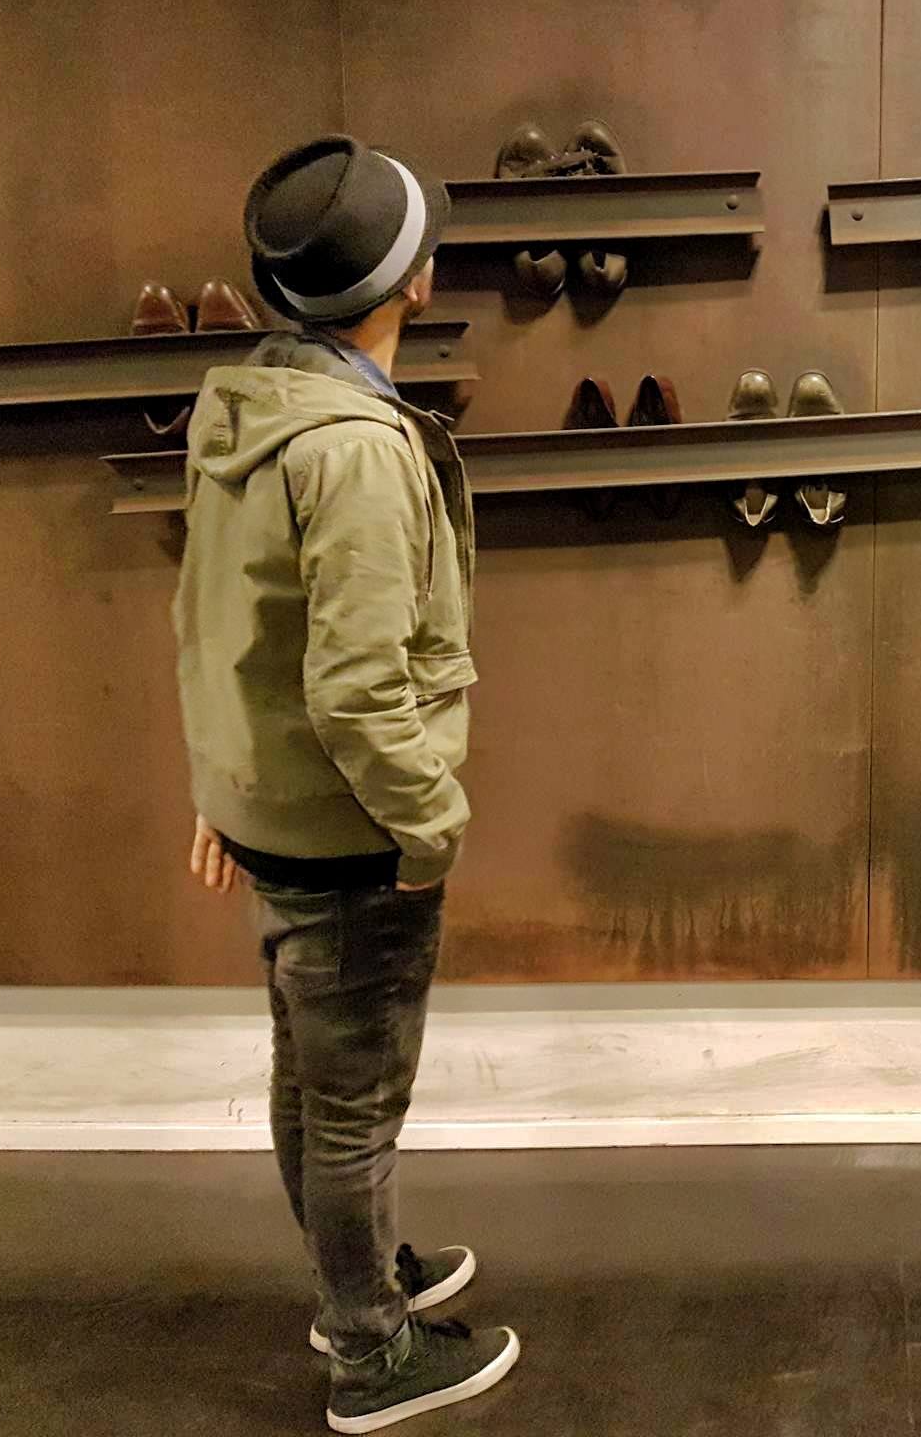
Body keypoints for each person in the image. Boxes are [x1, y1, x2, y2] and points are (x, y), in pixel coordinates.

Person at [174, 134, 517, 1432]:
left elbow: (219, 619)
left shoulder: (247, 407)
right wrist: (432, 827)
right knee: (355, 1106)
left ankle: (357, 1276)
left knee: (310, 1080)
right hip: (352, 830)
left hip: (275, 810)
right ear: (411, 283)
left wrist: (220, 787)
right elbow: (359, 690)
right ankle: (371, 1352)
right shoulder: (359, 451)